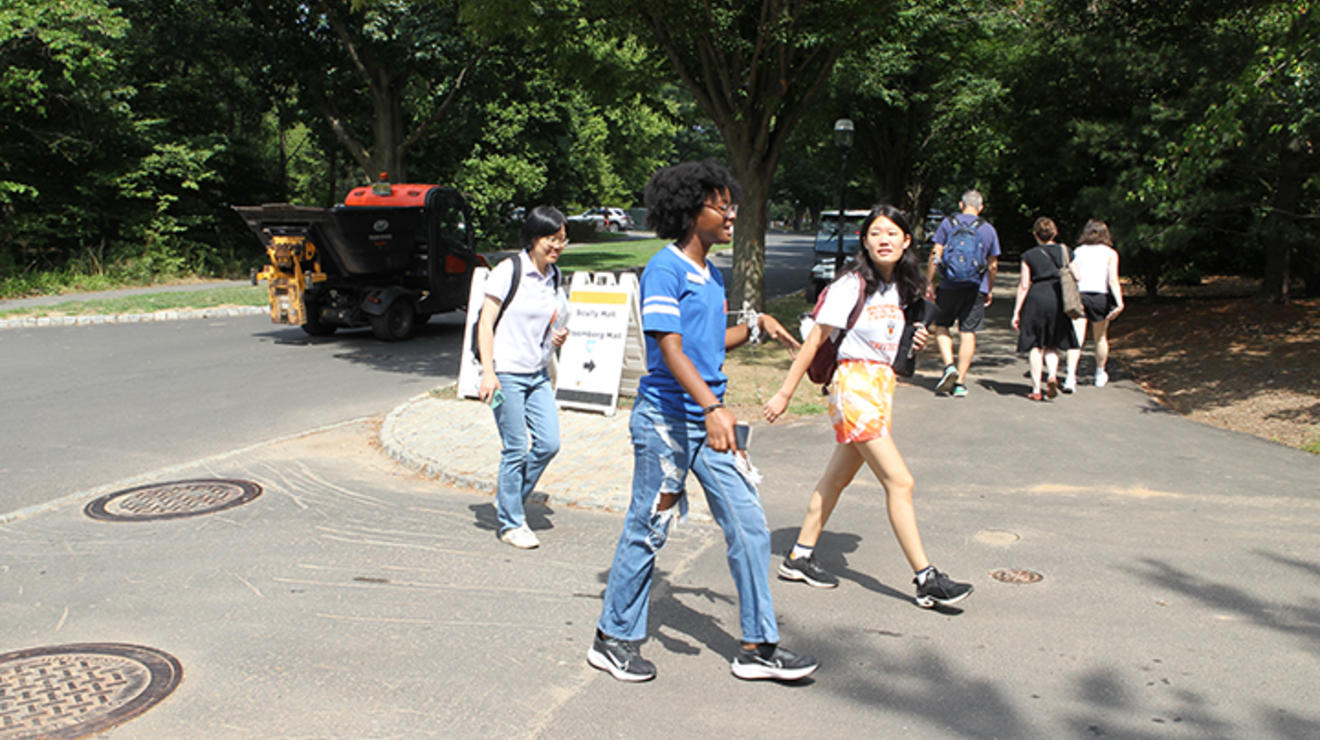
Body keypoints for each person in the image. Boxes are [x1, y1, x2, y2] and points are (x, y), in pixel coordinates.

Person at [588, 160, 818, 683]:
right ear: (693, 212)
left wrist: (759, 329)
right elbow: (669, 348)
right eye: (722, 205)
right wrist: (714, 407)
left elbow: (708, 344)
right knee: (649, 528)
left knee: (751, 526)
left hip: (708, 425)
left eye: (730, 203)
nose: (732, 213)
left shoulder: (711, 274)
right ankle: (613, 637)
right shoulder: (663, 269)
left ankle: (758, 647)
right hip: (668, 421)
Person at [763, 204, 974, 608]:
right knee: (901, 482)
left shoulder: (902, 288)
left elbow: (888, 341)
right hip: (853, 389)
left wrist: (914, 344)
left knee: (836, 479)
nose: (883, 239)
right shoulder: (851, 285)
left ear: (907, 241)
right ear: (865, 240)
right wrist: (784, 393)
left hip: (879, 388)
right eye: (875, 233)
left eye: (892, 233)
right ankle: (926, 578)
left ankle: (799, 556)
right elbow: (814, 341)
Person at [476, 205, 570, 549]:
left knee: (549, 443)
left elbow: (547, 320)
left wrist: (556, 336)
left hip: (537, 372)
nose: (557, 246)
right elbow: (486, 323)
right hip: (505, 373)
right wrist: (488, 373)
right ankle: (511, 523)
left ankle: (508, 496)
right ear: (534, 237)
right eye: (551, 238)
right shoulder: (508, 270)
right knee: (516, 447)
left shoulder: (553, 276)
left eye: (562, 239)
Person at [926, 190, 1001, 398]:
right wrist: (989, 288)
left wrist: (930, 282)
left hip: (949, 285)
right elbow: (993, 265)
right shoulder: (988, 230)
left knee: (941, 326)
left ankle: (949, 365)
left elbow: (936, 254)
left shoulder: (947, 224)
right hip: (976, 287)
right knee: (968, 332)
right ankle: (960, 382)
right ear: (981, 207)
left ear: (961, 204)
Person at [1011, 217, 1080, 400]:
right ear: (1054, 233)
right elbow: (1078, 275)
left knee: (1036, 345)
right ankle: (1051, 376)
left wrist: (1017, 311)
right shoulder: (1066, 251)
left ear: (1035, 234)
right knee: (1052, 344)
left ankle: (1036, 389)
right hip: (1058, 298)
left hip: (1037, 297)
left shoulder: (1029, 255)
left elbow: (1024, 285)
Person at [1064, 219, 1125, 388]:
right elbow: (1112, 280)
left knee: (1076, 338)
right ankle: (1099, 372)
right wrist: (1119, 302)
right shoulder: (1110, 253)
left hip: (1081, 295)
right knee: (1100, 338)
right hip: (1100, 297)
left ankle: (1070, 376)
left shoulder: (1078, 251)